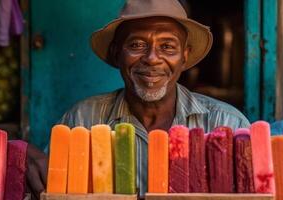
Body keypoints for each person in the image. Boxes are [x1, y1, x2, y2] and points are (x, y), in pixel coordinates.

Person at [26, 0, 250, 198]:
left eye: (167, 47)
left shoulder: (227, 124)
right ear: (116, 53)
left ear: (185, 56)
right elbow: (51, 186)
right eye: (136, 45)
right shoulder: (83, 120)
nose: (152, 58)